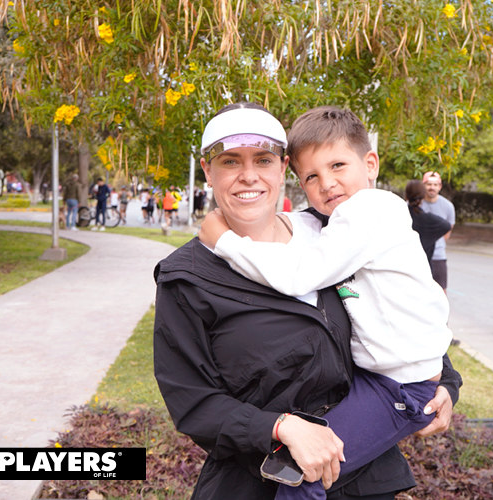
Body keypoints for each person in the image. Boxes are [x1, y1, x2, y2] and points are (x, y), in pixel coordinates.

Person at [154, 102, 462, 500]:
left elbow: (397, 306)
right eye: (230, 161)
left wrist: (447, 383)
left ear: (282, 169)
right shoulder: (188, 277)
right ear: (208, 170)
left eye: (263, 159)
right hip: (259, 482)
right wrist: (279, 426)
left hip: (366, 478)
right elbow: (193, 403)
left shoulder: (330, 229)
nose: (249, 175)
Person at [420, 171, 455, 291]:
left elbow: (447, 231)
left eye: (435, 185)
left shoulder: (448, 206)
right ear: (423, 185)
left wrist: (436, 243)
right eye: (429, 184)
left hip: (438, 256)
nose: (432, 187)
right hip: (418, 256)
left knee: (441, 291)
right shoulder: (415, 204)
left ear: (440, 187)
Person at [405, 179, 452, 264]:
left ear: (406, 196)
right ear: (423, 196)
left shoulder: (398, 215)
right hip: (422, 267)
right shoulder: (428, 220)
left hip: (400, 266)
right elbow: (447, 226)